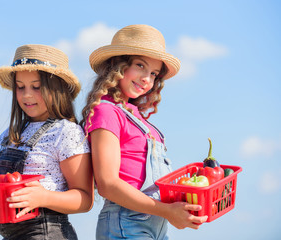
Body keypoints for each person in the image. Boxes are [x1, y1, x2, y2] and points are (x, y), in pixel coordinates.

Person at [0, 44, 93, 240]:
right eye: (20, 87)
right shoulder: (9, 135)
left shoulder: (66, 132)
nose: (27, 95)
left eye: (36, 87)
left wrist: (44, 197)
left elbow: (84, 199)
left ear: (57, 88)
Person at [80, 24, 207, 240]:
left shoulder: (137, 117)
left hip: (156, 224)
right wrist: (167, 211)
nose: (147, 78)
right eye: (140, 65)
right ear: (116, 65)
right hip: (126, 224)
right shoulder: (107, 111)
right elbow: (108, 184)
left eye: (154, 73)